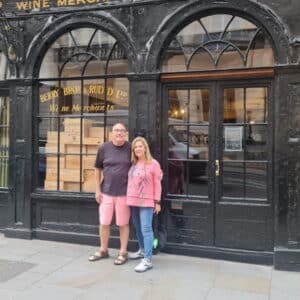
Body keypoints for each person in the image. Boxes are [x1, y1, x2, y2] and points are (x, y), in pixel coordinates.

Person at [88, 123, 131, 265]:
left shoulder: (131, 148)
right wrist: (97, 189)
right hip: (106, 192)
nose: (119, 133)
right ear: (111, 133)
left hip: (124, 193)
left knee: (123, 224)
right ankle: (103, 250)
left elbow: (143, 161)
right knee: (104, 222)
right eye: (116, 130)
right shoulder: (104, 148)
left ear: (126, 133)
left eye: (122, 131)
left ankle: (123, 252)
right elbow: (97, 168)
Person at [127, 137, 162, 272]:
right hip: (133, 200)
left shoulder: (153, 164)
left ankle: (147, 260)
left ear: (145, 148)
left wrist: (157, 202)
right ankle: (142, 250)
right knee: (137, 226)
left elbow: (157, 184)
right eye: (135, 147)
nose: (138, 149)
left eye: (140, 146)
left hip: (147, 201)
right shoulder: (133, 164)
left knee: (146, 228)